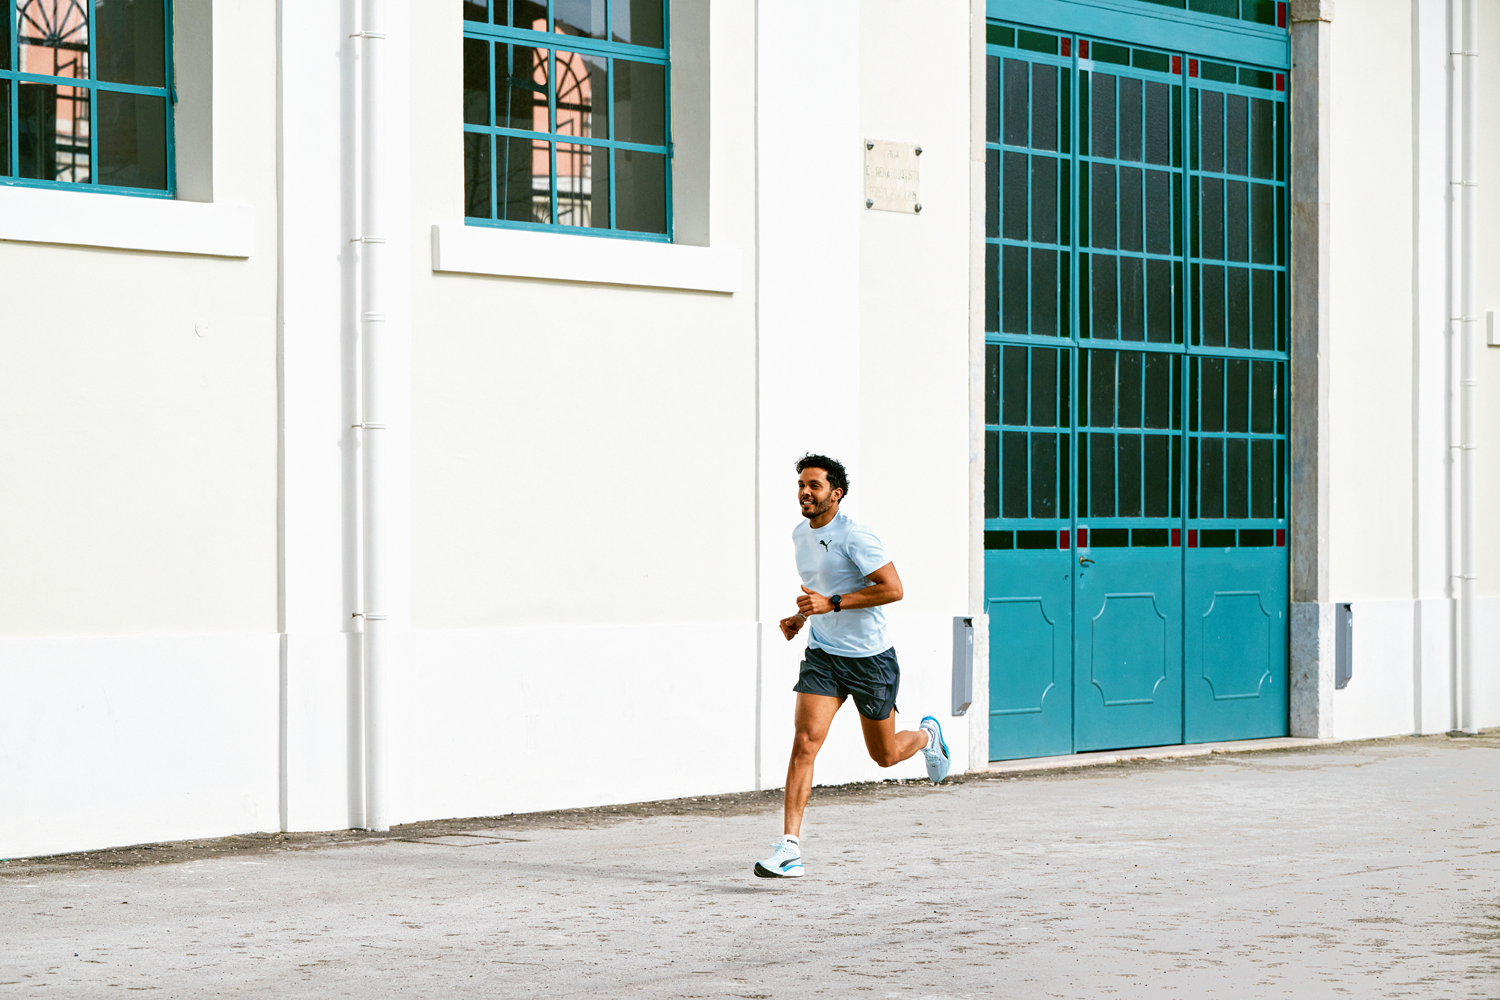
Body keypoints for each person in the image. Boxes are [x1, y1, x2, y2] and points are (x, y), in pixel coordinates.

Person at [753, 454, 951, 879]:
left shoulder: (855, 535)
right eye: (801, 485)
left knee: (885, 755)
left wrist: (834, 603)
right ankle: (789, 848)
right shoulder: (800, 535)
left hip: (870, 660)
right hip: (824, 655)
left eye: (814, 486)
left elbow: (893, 589)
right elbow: (821, 592)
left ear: (835, 493)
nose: (805, 492)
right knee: (805, 741)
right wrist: (802, 616)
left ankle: (926, 736)